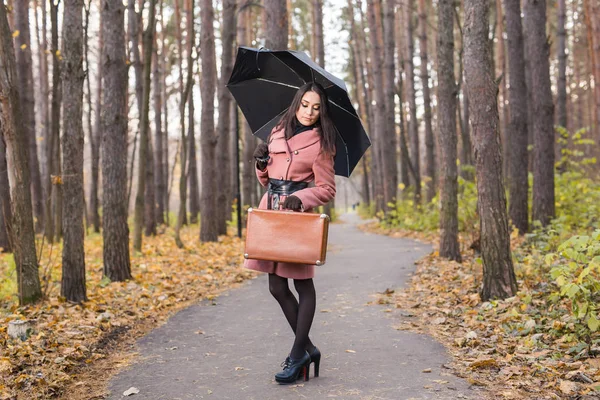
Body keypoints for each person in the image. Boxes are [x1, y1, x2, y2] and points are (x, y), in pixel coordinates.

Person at [244, 82, 337, 384]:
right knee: (276, 287)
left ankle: (297, 355)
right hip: (270, 212)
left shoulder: (323, 143)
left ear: (321, 111)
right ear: (297, 103)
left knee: (303, 284)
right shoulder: (276, 132)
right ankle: (308, 349)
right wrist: (260, 163)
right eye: (305, 104)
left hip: (296, 218)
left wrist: (304, 198)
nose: (309, 112)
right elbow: (267, 179)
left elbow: (327, 188)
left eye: (316, 107)